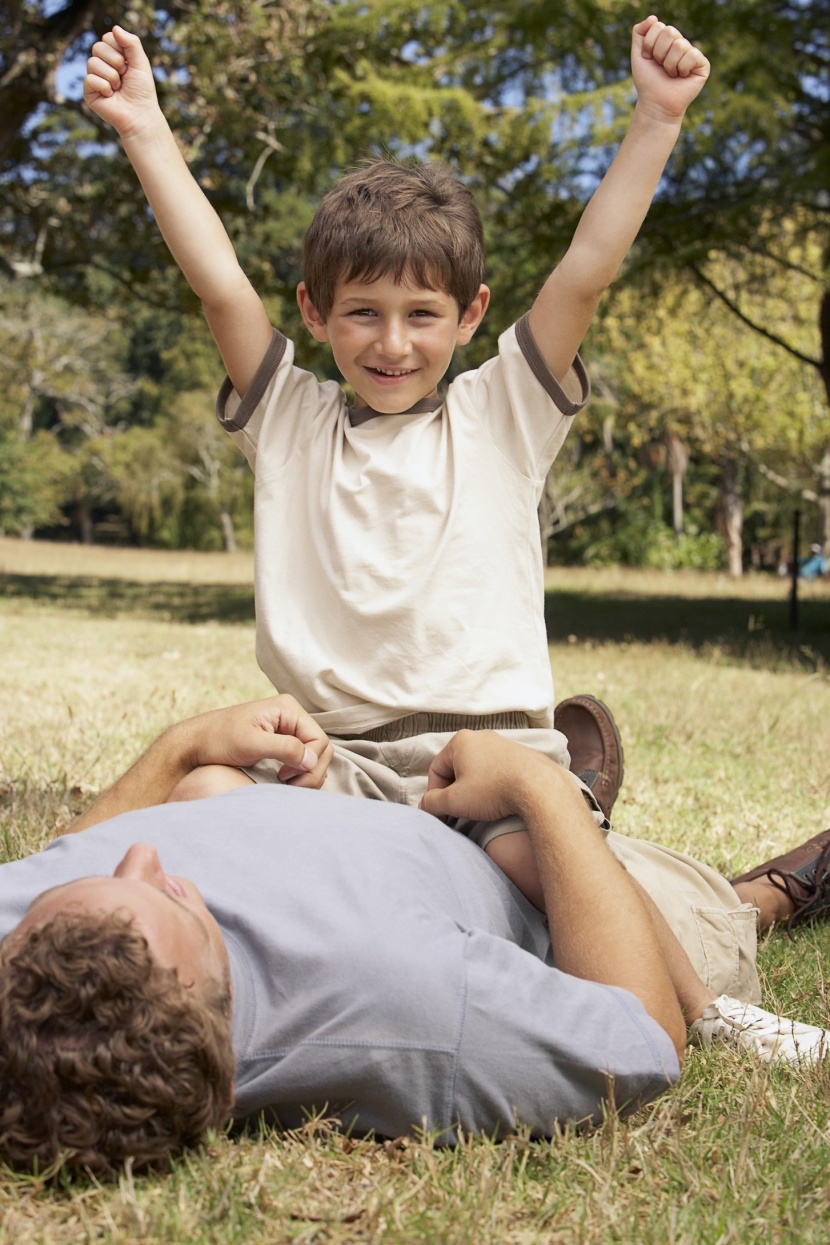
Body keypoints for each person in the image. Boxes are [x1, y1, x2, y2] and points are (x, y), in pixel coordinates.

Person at [81, 19, 711, 875]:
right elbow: (221, 285)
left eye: (423, 315)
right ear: (314, 312)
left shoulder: (504, 410)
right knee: (202, 802)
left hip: (489, 761)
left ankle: (689, 981)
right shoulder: (291, 423)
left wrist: (658, 119)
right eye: (362, 312)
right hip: (335, 763)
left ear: (472, 314)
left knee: (544, 870)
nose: (393, 343)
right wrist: (144, 127)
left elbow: (585, 271)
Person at [1, 696, 828, 1177]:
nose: (141, 854)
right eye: (173, 896)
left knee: (204, 786)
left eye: (102, 880)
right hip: (504, 867)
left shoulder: (39, 967)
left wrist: (183, 749)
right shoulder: (409, 1003)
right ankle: (766, 894)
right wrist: (540, 796)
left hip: (342, 808)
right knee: (689, 910)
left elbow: (60, 856)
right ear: (215, 1008)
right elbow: (648, 1034)